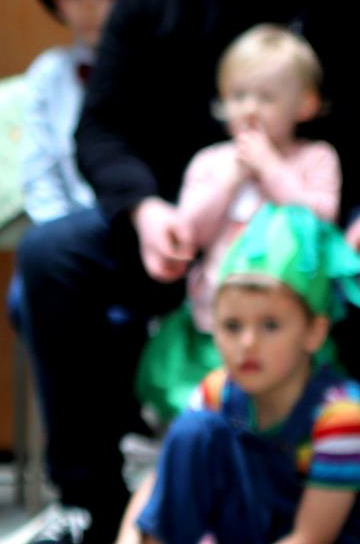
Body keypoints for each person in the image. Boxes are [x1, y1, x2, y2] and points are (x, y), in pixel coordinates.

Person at [13, 0, 360, 544]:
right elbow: (100, 128)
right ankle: (87, 500)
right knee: (52, 257)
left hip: (326, 232)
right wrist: (142, 210)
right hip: (183, 238)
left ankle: (336, 498)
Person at [54, 206, 360, 544]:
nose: (247, 344)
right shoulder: (227, 399)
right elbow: (163, 475)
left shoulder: (338, 416)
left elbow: (311, 542)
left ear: (314, 332)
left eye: (270, 326)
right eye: (232, 326)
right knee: (196, 429)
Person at [137, 27, 340, 418]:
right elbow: (188, 232)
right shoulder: (211, 162)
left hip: (290, 330)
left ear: (305, 104)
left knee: (286, 414)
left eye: (266, 98)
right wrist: (231, 180)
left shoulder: (316, 158)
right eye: (238, 96)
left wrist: (271, 169)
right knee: (214, 411)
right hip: (216, 324)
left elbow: (319, 224)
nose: (249, 109)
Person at [19, 0, 153, 228]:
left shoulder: (160, 69)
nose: (89, 8)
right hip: (69, 227)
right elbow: (39, 171)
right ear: (59, 3)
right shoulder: (49, 73)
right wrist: (58, 232)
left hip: (145, 223)